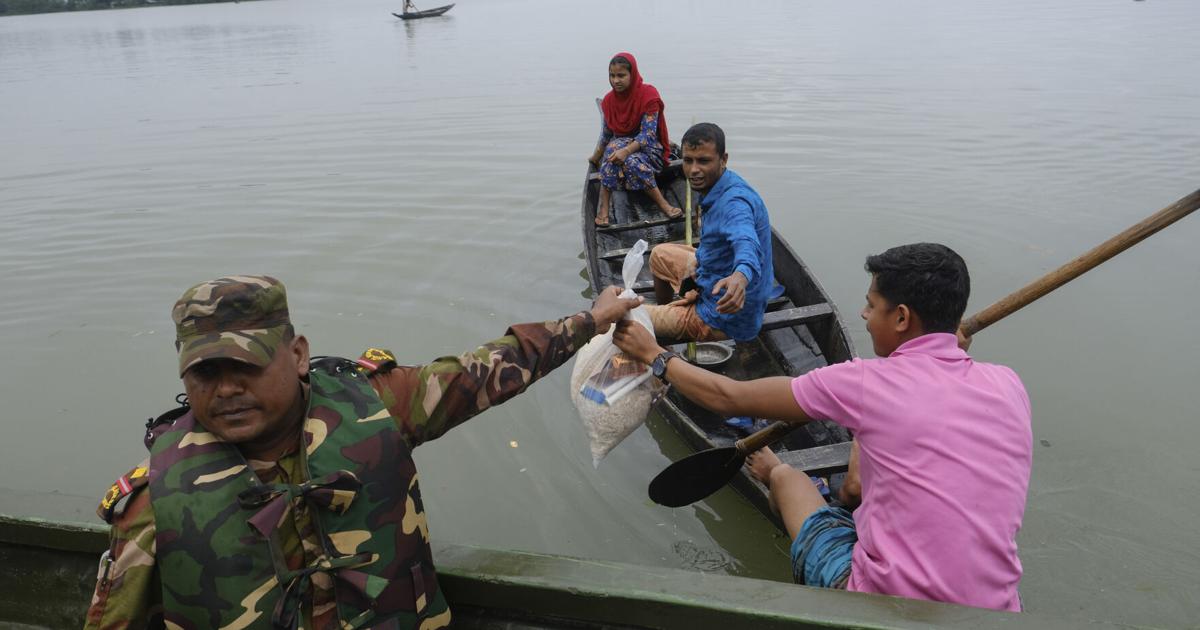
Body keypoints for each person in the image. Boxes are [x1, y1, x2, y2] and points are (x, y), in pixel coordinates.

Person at [84, 275, 639, 629]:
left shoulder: (379, 404)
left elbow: (487, 371)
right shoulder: (156, 500)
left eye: (246, 366)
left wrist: (590, 321)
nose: (226, 389)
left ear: (298, 355)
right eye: (205, 372)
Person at [613, 243, 1032, 611]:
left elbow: (727, 396)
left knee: (787, 479)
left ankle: (772, 474)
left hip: (885, 608)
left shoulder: (866, 383)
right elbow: (861, 481)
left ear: (902, 317)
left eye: (872, 304)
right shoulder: (1009, 384)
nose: (864, 314)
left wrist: (656, 355)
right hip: (992, 612)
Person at [644, 122, 773, 343]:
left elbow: (746, 243)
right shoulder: (721, 185)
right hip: (711, 277)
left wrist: (740, 277)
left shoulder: (734, 203)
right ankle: (667, 312)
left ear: (724, 160)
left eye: (704, 161)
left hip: (722, 317)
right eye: (688, 160)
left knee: (625, 316)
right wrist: (700, 261)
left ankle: (670, 323)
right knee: (658, 255)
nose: (694, 170)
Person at [588, 52, 681, 227]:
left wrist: (626, 151)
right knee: (611, 149)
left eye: (621, 75)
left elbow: (648, 134)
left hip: (650, 150)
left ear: (633, 74)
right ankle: (604, 209)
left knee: (628, 159)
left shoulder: (648, 95)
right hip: (621, 149)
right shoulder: (609, 101)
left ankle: (664, 205)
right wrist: (595, 158)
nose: (616, 80)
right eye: (612, 76)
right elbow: (607, 135)